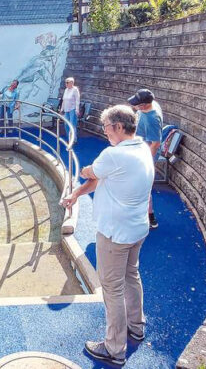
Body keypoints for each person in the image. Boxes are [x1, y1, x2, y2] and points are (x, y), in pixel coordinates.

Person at [60, 105, 155, 367]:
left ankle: (114, 349)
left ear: (119, 127)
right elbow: (101, 179)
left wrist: (87, 171)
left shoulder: (113, 155)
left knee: (112, 290)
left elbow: (90, 173)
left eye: (106, 127)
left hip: (115, 234)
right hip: (137, 229)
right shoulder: (142, 149)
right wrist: (76, 194)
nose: (104, 131)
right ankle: (137, 327)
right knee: (131, 276)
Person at [128, 89, 163, 229]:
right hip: (140, 148)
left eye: (137, 104)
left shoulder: (152, 119)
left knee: (143, 185)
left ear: (144, 105)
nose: (135, 106)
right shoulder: (150, 105)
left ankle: (150, 217)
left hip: (146, 153)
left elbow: (156, 144)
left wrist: (146, 161)